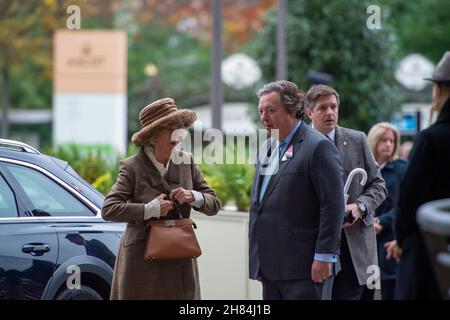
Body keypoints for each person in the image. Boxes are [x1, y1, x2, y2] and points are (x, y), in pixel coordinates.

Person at [101, 97, 221, 300]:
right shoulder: (132, 167)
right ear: (152, 136)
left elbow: (213, 204)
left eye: (180, 128)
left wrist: (194, 196)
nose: (177, 135)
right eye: (170, 129)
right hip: (141, 259)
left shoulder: (187, 161)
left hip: (179, 257)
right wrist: (150, 209)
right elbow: (109, 209)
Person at [248, 80, 345, 300]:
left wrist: (324, 256)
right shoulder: (267, 146)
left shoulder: (318, 146)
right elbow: (259, 205)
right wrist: (257, 261)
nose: (264, 117)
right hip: (271, 266)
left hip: (306, 268)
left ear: (292, 110)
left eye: (271, 110)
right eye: (261, 111)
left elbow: (333, 206)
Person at [304, 84, 387, 300]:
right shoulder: (297, 145)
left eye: (333, 107)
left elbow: (379, 185)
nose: (330, 112)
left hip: (355, 247)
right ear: (309, 112)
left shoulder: (357, 140)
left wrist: (359, 207)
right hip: (313, 246)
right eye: (323, 108)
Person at [393, 51, 450, 300]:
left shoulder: (431, 139)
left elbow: (407, 198)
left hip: (428, 252)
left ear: (440, 90)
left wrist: (400, 240)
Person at [362, 122, 407, 300]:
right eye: (384, 140)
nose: (388, 144)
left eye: (392, 140)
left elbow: (405, 205)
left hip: (390, 240)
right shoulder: (364, 167)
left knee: (389, 290)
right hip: (365, 242)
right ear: (374, 141)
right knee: (365, 290)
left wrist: (382, 222)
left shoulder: (402, 168)